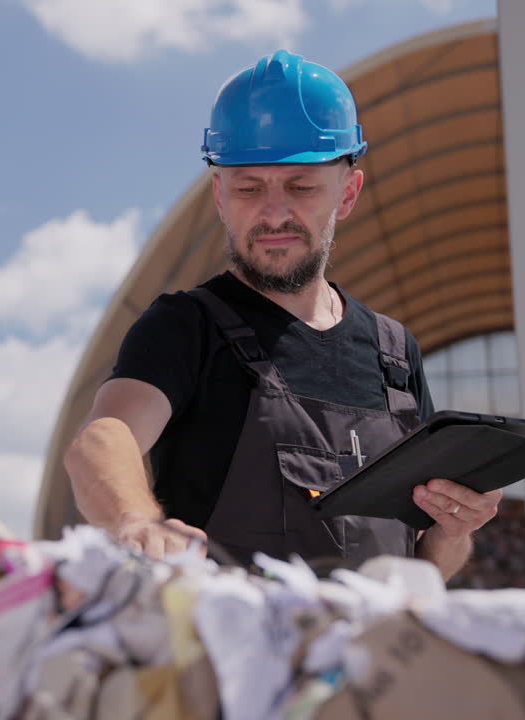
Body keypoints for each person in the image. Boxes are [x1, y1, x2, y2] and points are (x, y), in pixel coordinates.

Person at [63, 50, 502, 580]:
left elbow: (426, 566)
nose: (274, 214)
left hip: (374, 655)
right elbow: (104, 438)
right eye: (249, 188)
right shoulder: (186, 327)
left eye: (301, 186)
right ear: (220, 198)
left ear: (348, 192)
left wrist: (454, 530)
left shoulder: (394, 352)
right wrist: (136, 521)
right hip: (234, 655)